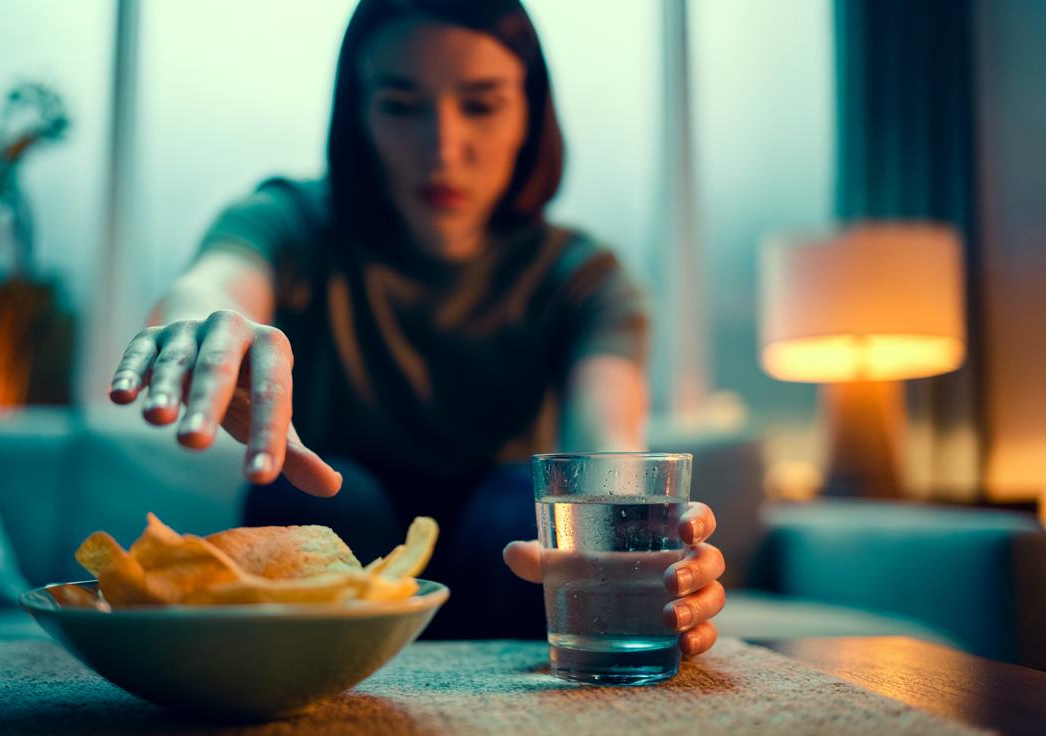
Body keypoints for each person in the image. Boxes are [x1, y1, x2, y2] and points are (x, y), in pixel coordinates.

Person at [108, 0, 724, 652]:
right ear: (359, 116)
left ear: (529, 116)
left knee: (524, 509)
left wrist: (640, 550)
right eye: (402, 106)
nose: (442, 148)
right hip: (340, 538)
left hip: (509, 566)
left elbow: (605, 444)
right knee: (322, 501)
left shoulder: (585, 277)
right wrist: (206, 326)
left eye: (482, 105)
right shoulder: (290, 220)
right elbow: (215, 280)